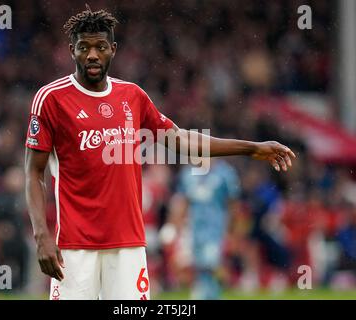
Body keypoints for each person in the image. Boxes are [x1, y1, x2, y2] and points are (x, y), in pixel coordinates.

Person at [24, 6, 296, 300]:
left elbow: (180, 140)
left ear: (113, 50)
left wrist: (251, 148)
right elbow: (34, 171)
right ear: (71, 50)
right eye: (83, 47)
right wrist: (42, 237)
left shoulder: (133, 96)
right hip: (75, 246)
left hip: (128, 246)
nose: (92, 55)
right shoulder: (51, 99)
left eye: (100, 47)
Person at [176, 159, 240, 299]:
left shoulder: (226, 173)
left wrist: (232, 233)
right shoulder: (187, 173)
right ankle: (207, 293)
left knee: (210, 263)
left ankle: (209, 293)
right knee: (199, 266)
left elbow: (233, 204)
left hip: (216, 229)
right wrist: (176, 227)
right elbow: (183, 202)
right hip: (194, 229)